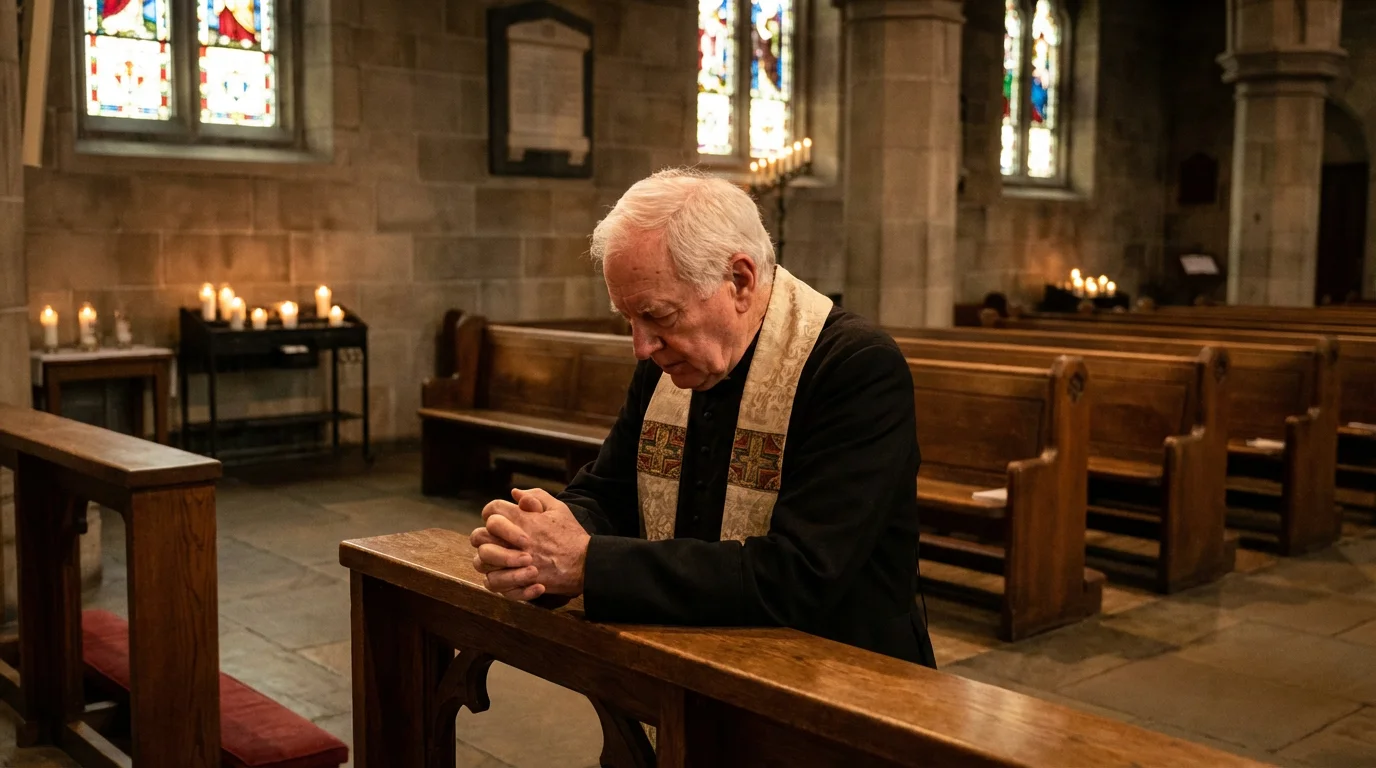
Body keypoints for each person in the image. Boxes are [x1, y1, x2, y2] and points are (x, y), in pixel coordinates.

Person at [469, 168, 936, 667]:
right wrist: (536, 540)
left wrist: (586, 565)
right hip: (691, 659)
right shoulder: (670, 363)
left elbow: (801, 572)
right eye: (629, 320)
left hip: (844, 677)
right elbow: (608, 489)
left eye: (658, 316)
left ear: (739, 280)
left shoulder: (854, 367)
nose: (641, 347)